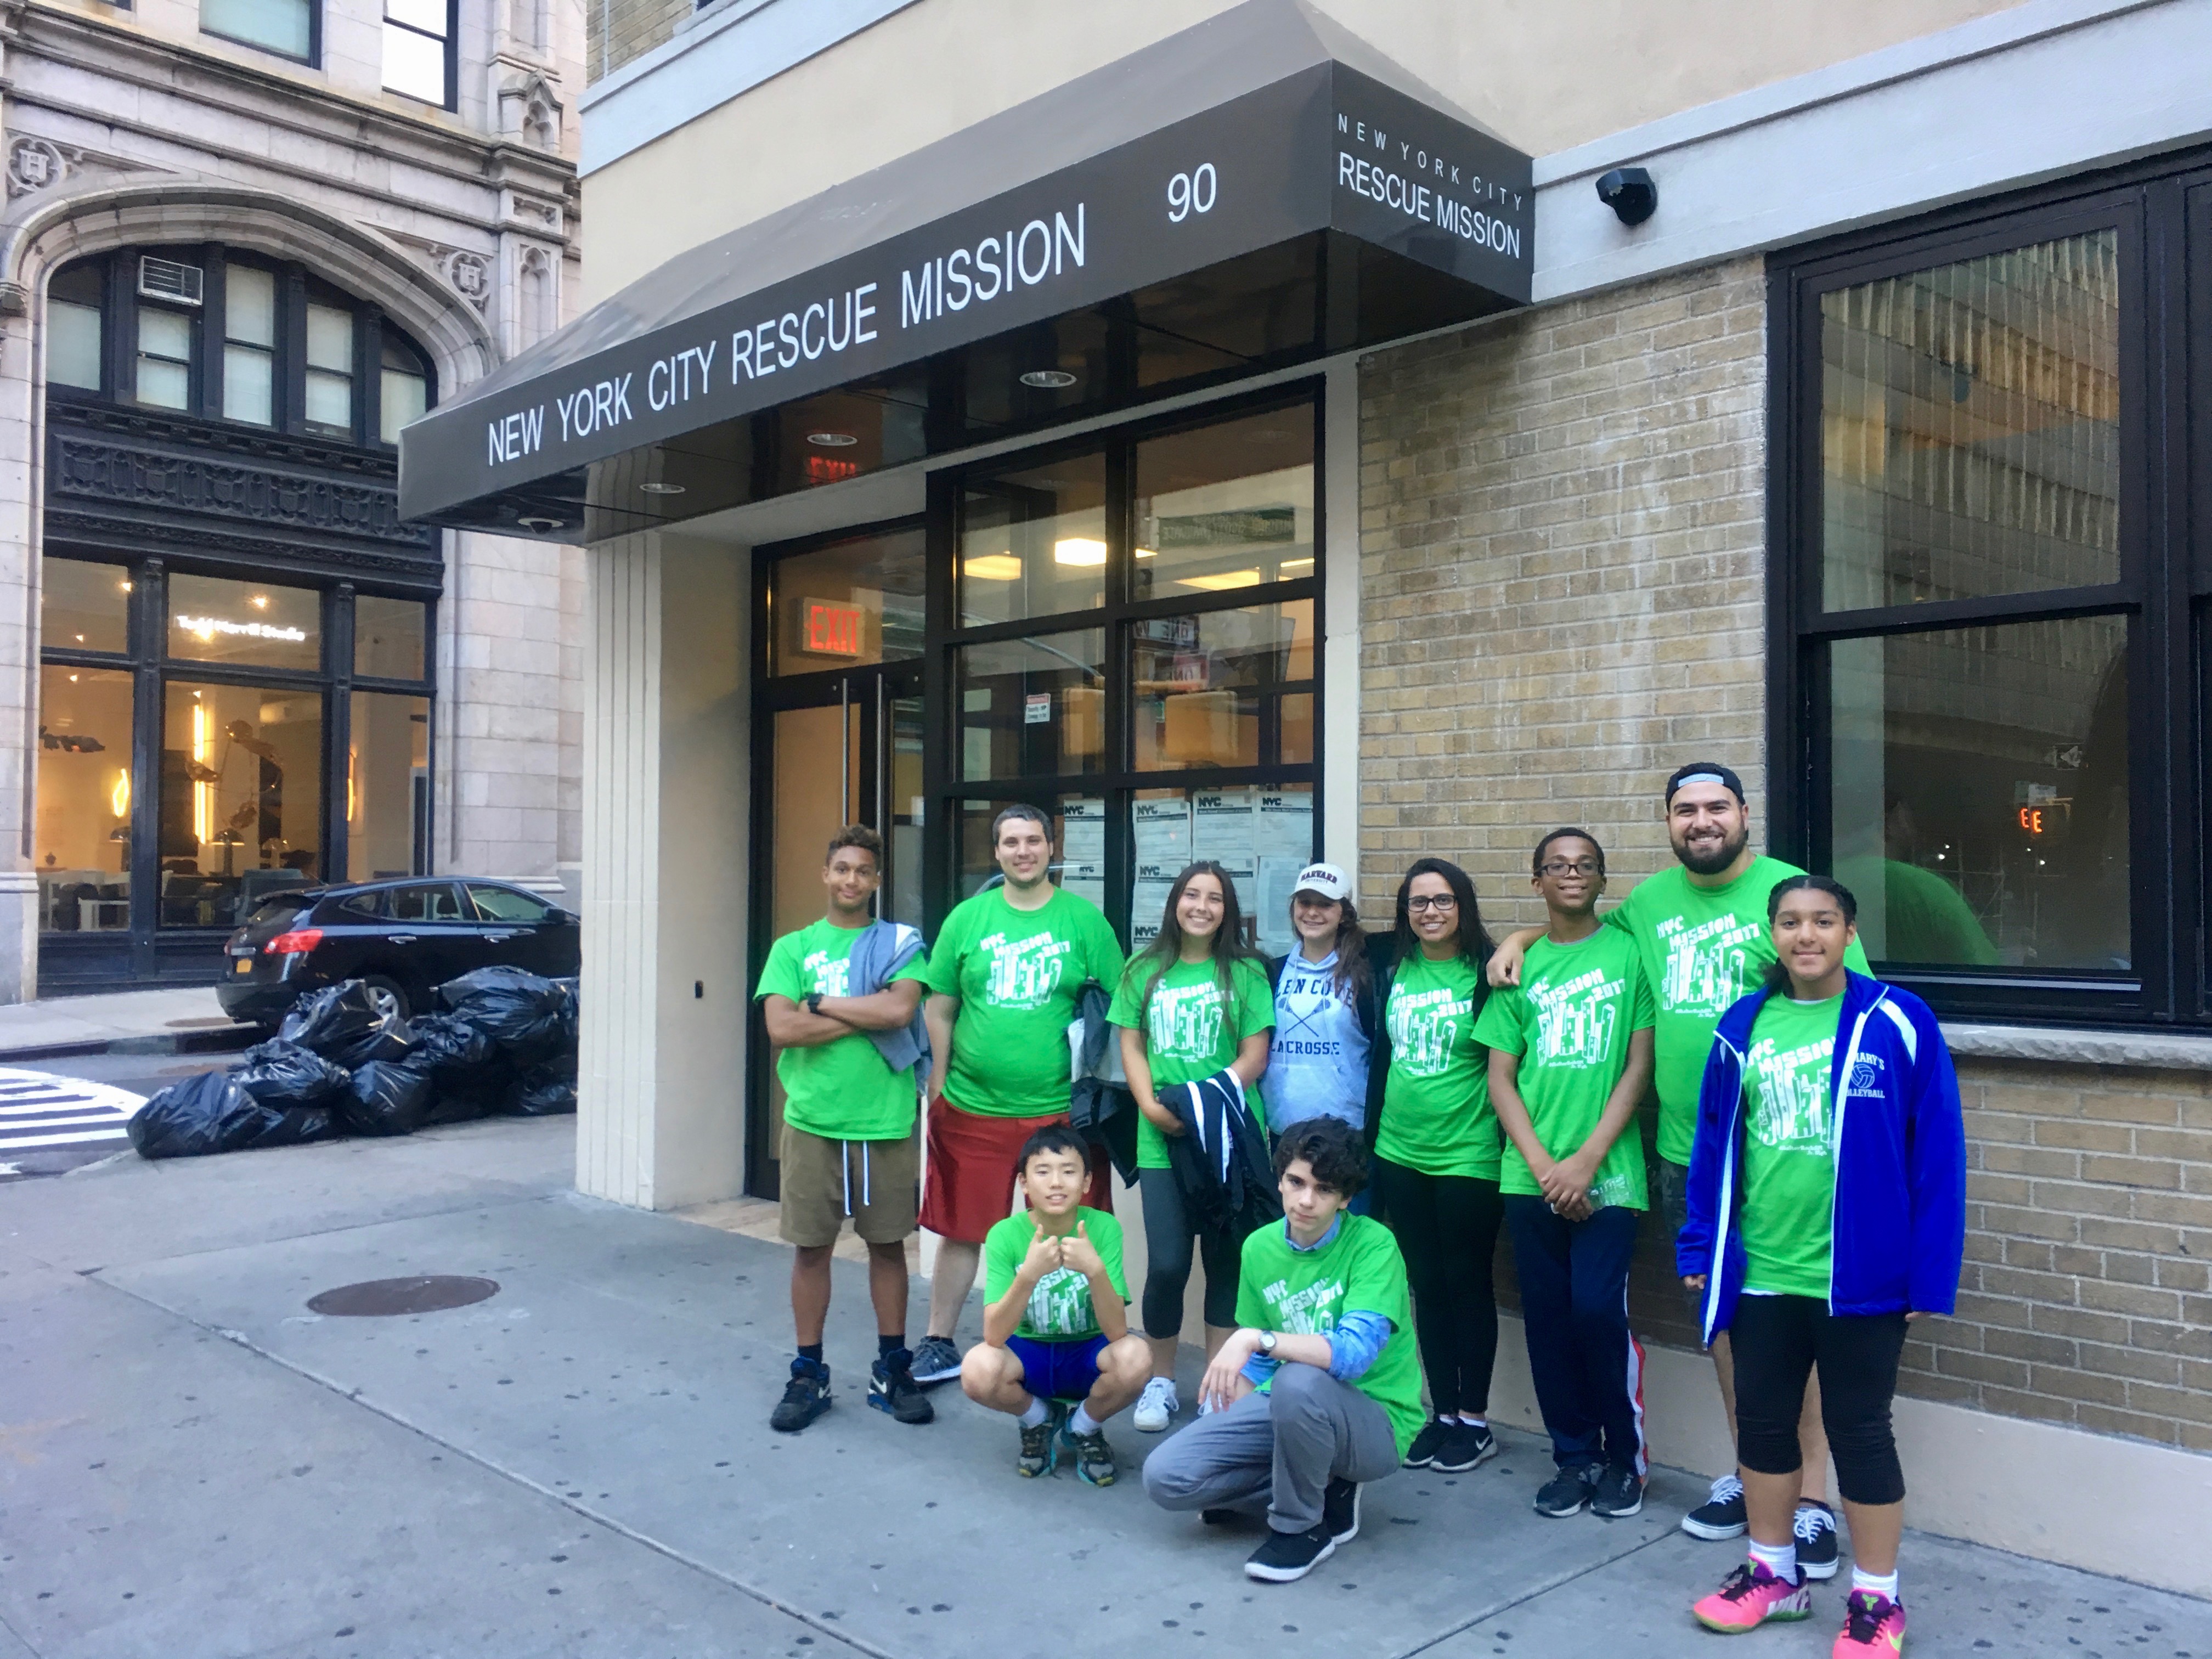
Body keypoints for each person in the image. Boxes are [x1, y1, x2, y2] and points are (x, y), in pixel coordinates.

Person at [1488, 763, 1866, 1564]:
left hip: (1782, 1151)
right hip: (1687, 1155)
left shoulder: (1794, 897)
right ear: (1667, 822)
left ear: (1744, 814)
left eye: (1716, 807)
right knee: (1725, 1322)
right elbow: (1574, 926)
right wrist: (1516, 940)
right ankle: (1755, 1474)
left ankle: (1809, 1501)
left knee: (1795, 1322)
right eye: (1686, 810)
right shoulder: (1650, 904)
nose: (1702, 821)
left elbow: (1851, 1008)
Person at [1679, 875, 1963, 1656]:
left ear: (1849, 933)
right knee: (1764, 1424)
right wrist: (1702, 1245)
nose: (1806, 935)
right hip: (1762, 1272)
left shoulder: (1897, 1020)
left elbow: (1938, 1151)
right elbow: (1713, 1145)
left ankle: (1877, 1599)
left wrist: (1930, 1273)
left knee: (1861, 1431)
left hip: (1862, 1278)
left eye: (1824, 921)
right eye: (1791, 922)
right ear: (1772, 934)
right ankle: (1773, 1575)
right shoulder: (1742, 1024)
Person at [1142, 1116, 1423, 1584]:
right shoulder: (1259, 1247)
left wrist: (1258, 1339)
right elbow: (1255, 1363)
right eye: (1297, 1182)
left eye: (1324, 1189)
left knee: (1299, 1379)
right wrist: (1226, 1415)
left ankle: (1301, 1529)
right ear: (1281, 1180)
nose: (1306, 1200)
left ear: (1345, 1199)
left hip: (1376, 1421)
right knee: (1167, 1477)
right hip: (1290, 1405)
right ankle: (1323, 1486)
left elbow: (1353, 1354)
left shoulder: (1375, 1246)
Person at [911, 805, 1126, 1387]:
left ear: (1052, 847)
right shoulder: (967, 919)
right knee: (962, 1229)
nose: (1023, 851)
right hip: (972, 1105)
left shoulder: (1084, 921)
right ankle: (938, 1341)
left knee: (1074, 1233)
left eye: (1034, 840)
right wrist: (938, 1085)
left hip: (1061, 1112)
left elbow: (1121, 1008)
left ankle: (1082, 1343)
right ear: (997, 851)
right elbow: (940, 1007)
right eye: (1011, 842)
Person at [1476, 829, 1657, 1520]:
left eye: (1586, 865)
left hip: (1609, 1174)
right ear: (1537, 881)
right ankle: (1574, 1457)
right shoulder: (1518, 969)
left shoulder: (1629, 954)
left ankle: (1624, 1460)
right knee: (1548, 1321)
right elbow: (1501, 1078)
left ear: (1603, 879)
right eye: (1557, 865)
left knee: (1597, 1313)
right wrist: (1547, 1167)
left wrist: (1585, 1163)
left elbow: (1639, 1066)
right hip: (1531, 1177)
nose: (1572, 874)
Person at [755, 825, 935, 1433]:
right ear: (825, 875)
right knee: (812, 1250)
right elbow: (782, 1028)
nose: (851, 880)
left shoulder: (899, 944)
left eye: (863, 870)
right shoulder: (793, 947)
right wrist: (866, 1010)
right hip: (813, 1121)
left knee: (888, 1247)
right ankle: (809, 1373)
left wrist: (822, 1004)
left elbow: (900, 1010)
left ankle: (893, 1369)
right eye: (842, 869)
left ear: (877, 880)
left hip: (884, 1121)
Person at [1109, 859, 1274, 1433]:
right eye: (1192, 895)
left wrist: (1204, 1103)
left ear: (1228, 911)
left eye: (1215, 898)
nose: (1202, 907)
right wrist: (1152, 1106)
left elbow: (1255, 1055)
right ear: (1175, 902)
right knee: (1168, 1264)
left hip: (1229, 1137)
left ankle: (1217, 1386)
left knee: (1226, 1264)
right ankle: (1160, 1381)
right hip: (1162, 1139)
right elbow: (1132, 1045)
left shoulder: (1246, 972)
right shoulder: (1144, 968)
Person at [1368, 856, 1505, 1475]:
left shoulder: (1491, 971)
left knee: (1466, 1284)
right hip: (1399, 1152)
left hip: (1468, 1155)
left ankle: (1475, 1420)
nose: (1431, 912)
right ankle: (1442, 1411)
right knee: (1425, 1283)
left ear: (1463, 905)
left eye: (1443, 900)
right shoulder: (1390, 965)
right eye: (1419, 901)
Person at [959, 1124, 1151, 1485]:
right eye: (1043, 1172)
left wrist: (1095, 1270)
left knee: (1136, 1357)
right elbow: (994, 1335)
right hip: (1028, 1353)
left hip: (1088, 1351)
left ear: (1087, 1182)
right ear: (1024, 1183)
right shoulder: (1005, 1234)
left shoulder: (1104, 1228)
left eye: (1069, 1171)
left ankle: (1083, 1427)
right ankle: (1038, 1419)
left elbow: (1116, 1331)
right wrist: (1028, 1275)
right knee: (977, 1369)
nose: (1057, 1183)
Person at [1260, 861, 1380, 1145]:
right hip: (1284, 1129)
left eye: (1325, 904)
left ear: (1344, 914)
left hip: (1347, 1130)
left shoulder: (1366, 973)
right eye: (1305, 903)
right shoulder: (1272, 972)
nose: (1312, 912)